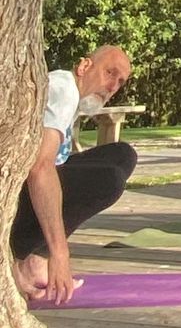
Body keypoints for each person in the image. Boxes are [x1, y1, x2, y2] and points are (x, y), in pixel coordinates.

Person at [11, 45, 138, 304]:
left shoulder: (69, 91)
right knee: (108, 181)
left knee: (122, 155)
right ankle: (27, 256)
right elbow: (41, 168)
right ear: (83, 67)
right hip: (14, 199)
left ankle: (36, 257)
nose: (113, 86)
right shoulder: (64, 90)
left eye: (120, 81)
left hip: (28, 182)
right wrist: (60, 254)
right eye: (109, 72)